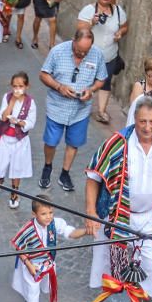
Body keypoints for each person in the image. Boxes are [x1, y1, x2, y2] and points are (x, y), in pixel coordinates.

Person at [84, 97, 152, 302]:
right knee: (111, 264)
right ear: (134, 120)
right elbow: (93, 177)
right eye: (142, 122)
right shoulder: (117, 143)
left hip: (150, 216)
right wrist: (91, 212)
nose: (147, 127)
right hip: (117, 216)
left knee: (149, 263)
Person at [38, 28, 107, 191]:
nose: (82, 54)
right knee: (51, 141)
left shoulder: (97, 54)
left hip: (80, 110)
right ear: (73, 41)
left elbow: (101, 79)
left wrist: (91, 90)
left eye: (86, 51)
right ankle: (47, 167)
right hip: (57, 106)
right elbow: (43, 74)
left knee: (73, 143)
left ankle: (65, 173)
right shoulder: (58, 51)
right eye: (79, 50)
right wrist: (58, 86)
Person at [11, 194, 87, 302]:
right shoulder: (28, 229)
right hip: (32, 265)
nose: (48, 216)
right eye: (44, 213)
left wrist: (86, 231)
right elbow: (19, 247)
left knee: (47, 288)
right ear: (34, 214)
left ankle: (37, 299)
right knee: (33, 292)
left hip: (48, 263)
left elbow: (70, 233)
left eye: (51, 212)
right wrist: (28, 265)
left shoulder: (55, 223)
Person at [0, 71, 37, 209]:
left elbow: (31, 122)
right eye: (15, 86)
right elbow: (3, 117)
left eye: (20, 86)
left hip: (20, 139)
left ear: (27, 86)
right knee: (1, 162)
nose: (17, 89)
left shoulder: (30, 102)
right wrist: (13, 101)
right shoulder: (7, 97)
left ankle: (14, 191)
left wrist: (20, 122)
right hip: (5, 136)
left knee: (17, 166)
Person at [76, 0, 127, 124]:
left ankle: (101, 111)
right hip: (89, 55)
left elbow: (125, 26)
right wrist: (92, 23)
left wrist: (120, 33)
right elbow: (80, 30)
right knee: (85, 79)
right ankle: (80, 107)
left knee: (106, 81)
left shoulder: (118, 12)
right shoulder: (88, 10)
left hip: (110, 55)